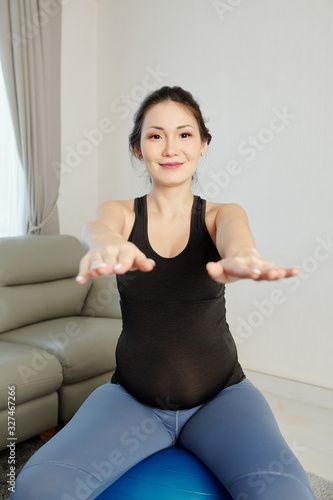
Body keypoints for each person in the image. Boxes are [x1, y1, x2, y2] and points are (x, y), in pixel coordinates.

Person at [11, 86, 315, 500]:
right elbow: (97, 228)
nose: (170, 147)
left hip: (220, 398)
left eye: (185, 134)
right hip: (132, 400)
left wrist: (242, 257)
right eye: (155, 135)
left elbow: (236, 239)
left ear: (204, 144)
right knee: (36, 487)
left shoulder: (221, 214)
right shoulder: (119, 213)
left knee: (286, 494)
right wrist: (104, 244)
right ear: (138, 148)